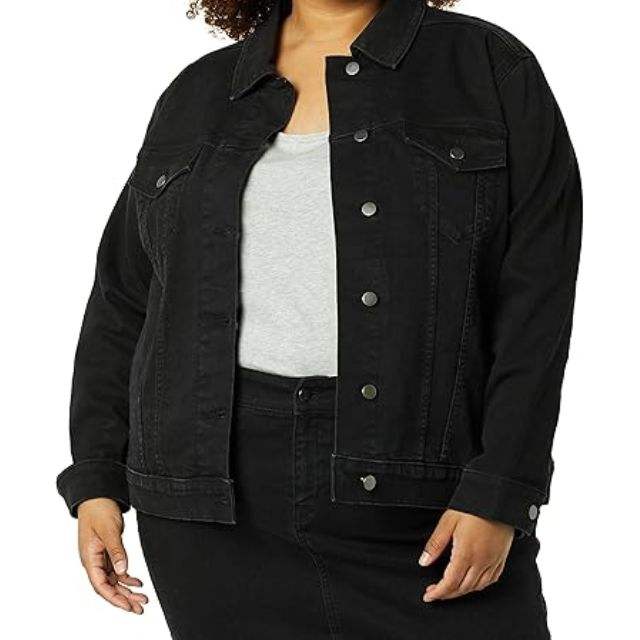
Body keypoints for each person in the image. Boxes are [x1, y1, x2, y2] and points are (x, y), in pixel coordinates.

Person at [56, 0, 582, 637]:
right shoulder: (198, 92)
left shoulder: (486, 68)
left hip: (422, 495)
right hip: (211, 508)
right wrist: (97, 478)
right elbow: (124, 299)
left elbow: (536, 302)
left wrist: (500, 490)